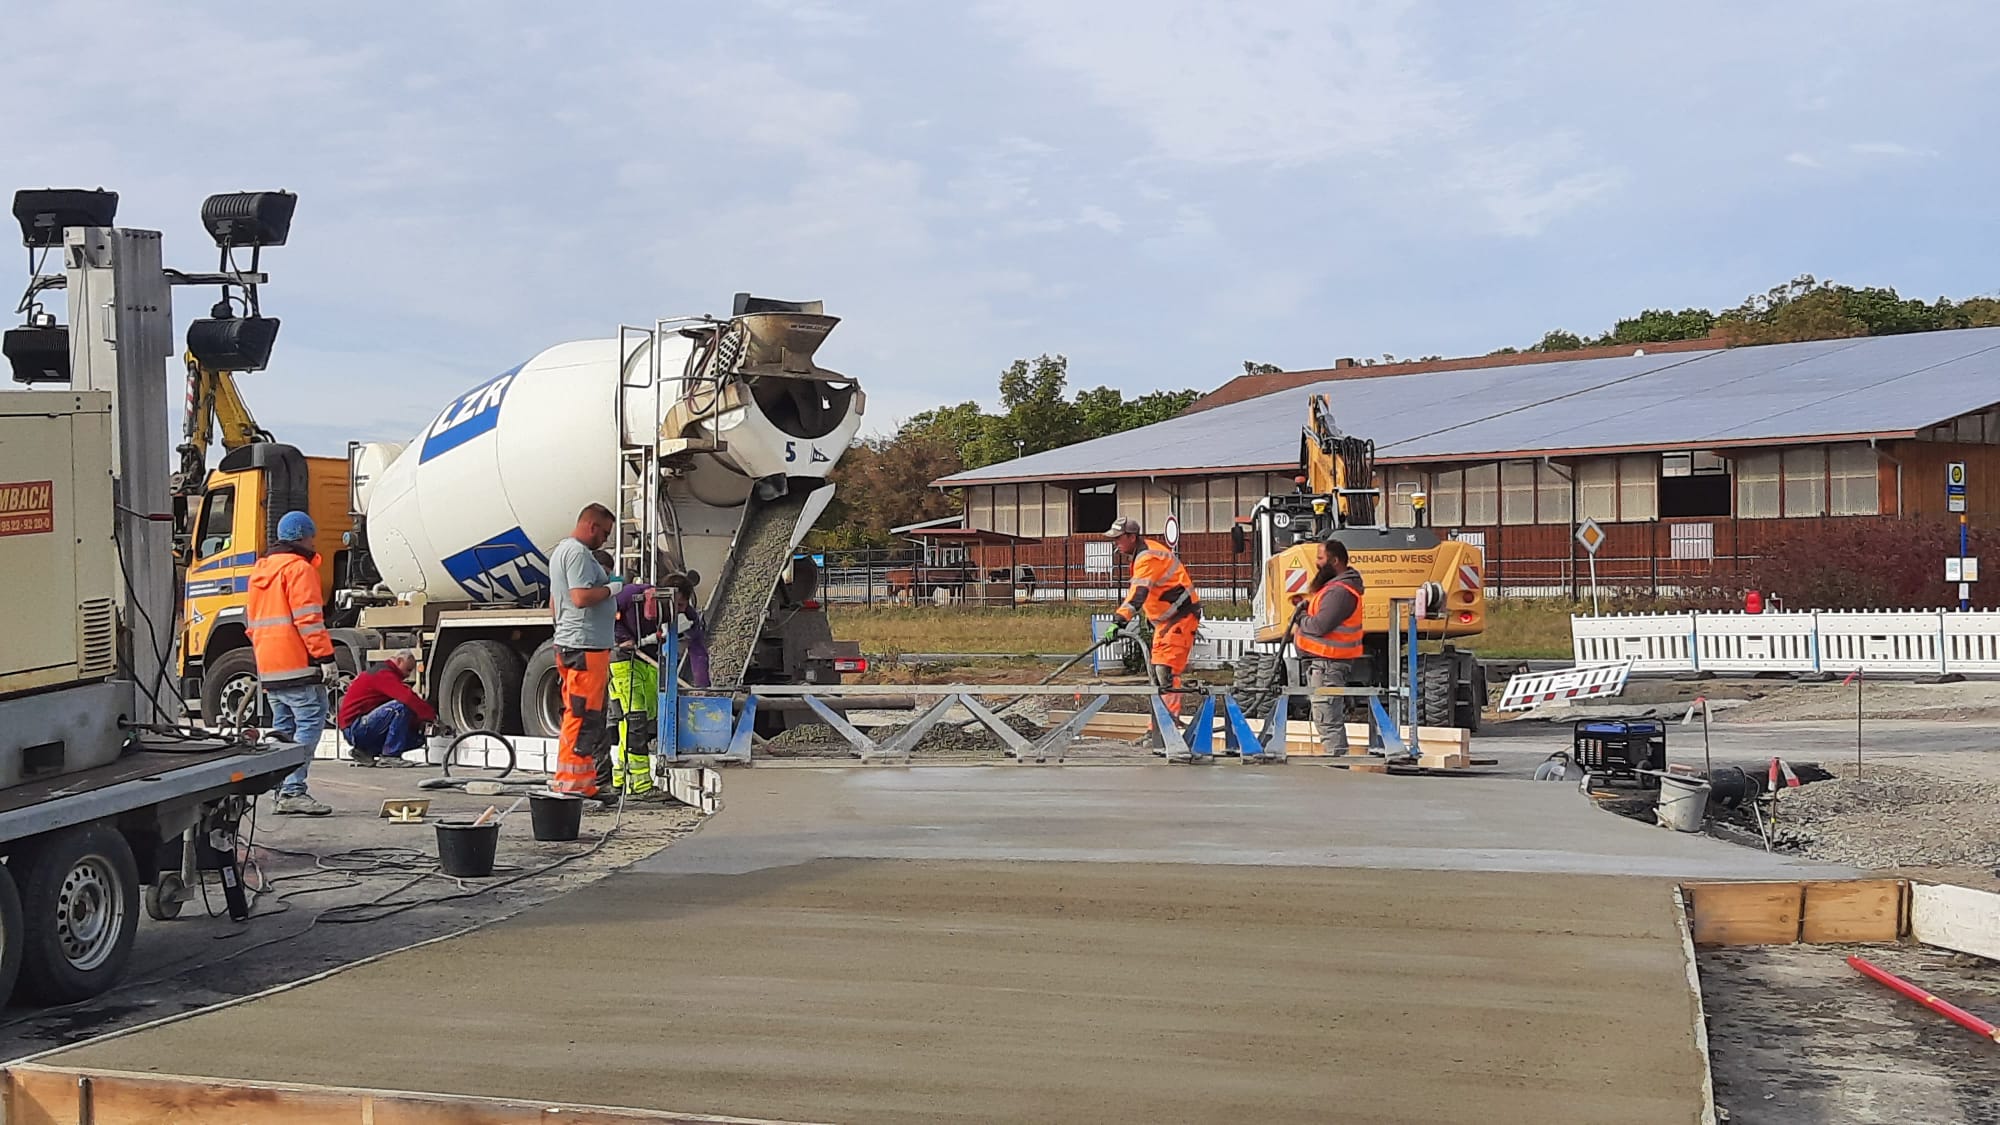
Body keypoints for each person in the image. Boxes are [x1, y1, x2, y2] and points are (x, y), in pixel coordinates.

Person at [246, 511, 338, 815]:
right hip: (298, 664)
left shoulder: (260, 572)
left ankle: (280, 788)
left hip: (270, 666)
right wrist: (325, 657)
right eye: (312, 536)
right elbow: (309, 620)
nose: (314, 542)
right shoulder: (299, 569)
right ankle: (293, 790)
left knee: (282, 728)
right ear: (304, 537)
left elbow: (252, 623)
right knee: (310, 721)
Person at [1294, 539, 1408, 762]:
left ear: (1334, 561)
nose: (1316, 563)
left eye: (1320, 558)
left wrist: (1301, 617)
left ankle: (1337, 760)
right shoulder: (1334, 588)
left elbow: (1319, 626)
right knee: (1326, 713)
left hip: (1328, 663)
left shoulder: (1339, 592)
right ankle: (1337, 757)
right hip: (1325, 662)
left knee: (1327, 715)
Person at [547, 504, 620, 802]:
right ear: (591, 526)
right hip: (585, 647)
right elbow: (580, 597)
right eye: (604, 532)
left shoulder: (562, 552)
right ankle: (571, 783)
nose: (604, 540)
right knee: (583, 716)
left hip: (574, 643)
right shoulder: (577, 554)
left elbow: (556, 602)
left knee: (582, 715)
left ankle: (582, 781)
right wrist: (613, 589)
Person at [1105, 517, 1202, 718]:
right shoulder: (1143, 553)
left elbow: (1138, 594)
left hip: (1180, 618)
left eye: (1119, 538)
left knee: (1165, 671)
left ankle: (1169, 727)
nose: (1116, 543)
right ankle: (1159, 727)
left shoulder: (1147, 558)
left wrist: (1118, 621)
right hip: (1167, 622)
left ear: (1132, 537)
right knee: (1158, 675)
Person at [337, 651, 434, 767]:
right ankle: (390, 756)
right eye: (408, 669)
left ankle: (365, 751)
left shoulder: (383, 675)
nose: (408, 675)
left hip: (357, 727)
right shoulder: (383, 674)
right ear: (399, 661)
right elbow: (407, 698)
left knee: (416, 738)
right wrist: (432, 716)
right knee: (400, 707)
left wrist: (419, 724)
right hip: (355, 727)